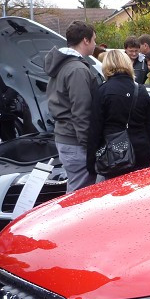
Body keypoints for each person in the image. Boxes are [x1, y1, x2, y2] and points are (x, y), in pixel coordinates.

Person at [44, 20, 101, 192]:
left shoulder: (63, 65)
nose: (95, 44)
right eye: (94, 40)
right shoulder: (77, 70)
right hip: (76, 142)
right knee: (80, 196)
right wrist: (90, 148)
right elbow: (81, 112)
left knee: (74, 189)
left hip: (65, 137)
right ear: (85, 40)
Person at [87, 50, 150, 179]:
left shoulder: (103, 91)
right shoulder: (141, 89)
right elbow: (148, 126)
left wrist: (90, 162)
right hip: (140, 150)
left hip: (115, 154)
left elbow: (95, 129)